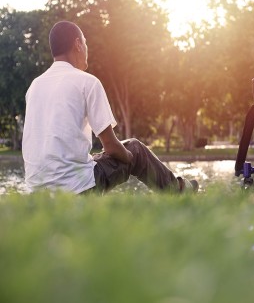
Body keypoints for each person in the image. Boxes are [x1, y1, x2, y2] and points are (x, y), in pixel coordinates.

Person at [22, 21, 198, 194]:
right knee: (135, 148)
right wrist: (130, 158)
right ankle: (178, 191)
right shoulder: (87, 81)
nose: (86, 48)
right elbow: (111, 146)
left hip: (37, 193)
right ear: (77, 45)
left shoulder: (34, 86)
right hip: (77, 188)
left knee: (95, 158)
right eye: (85, 42)